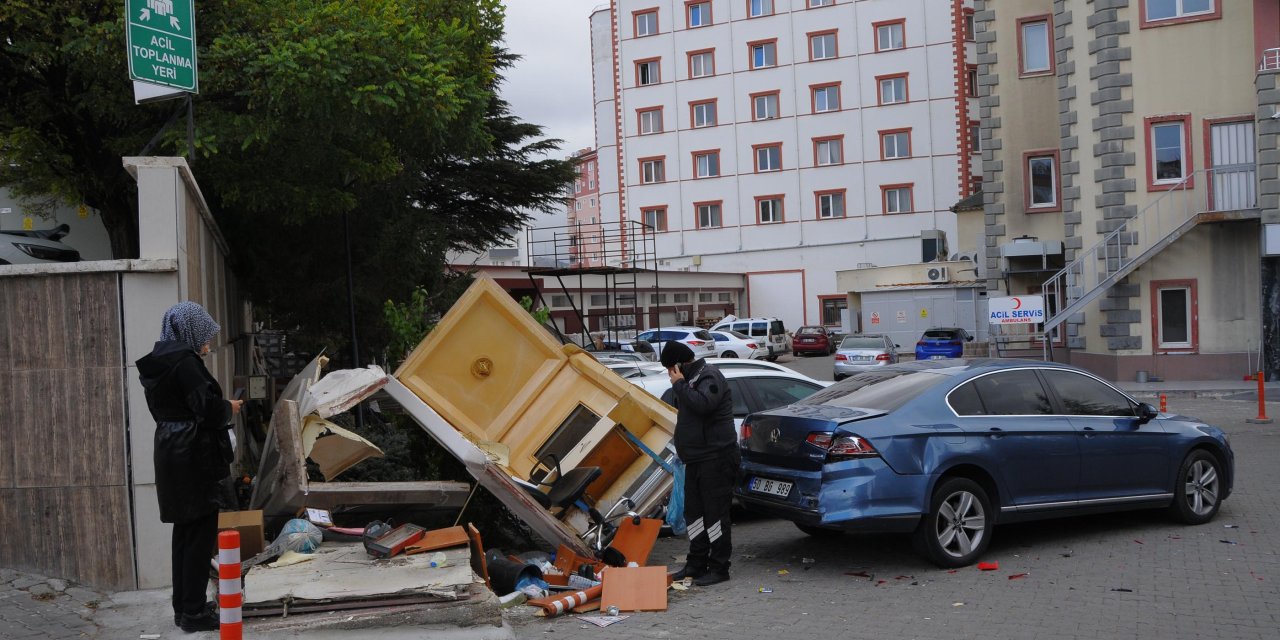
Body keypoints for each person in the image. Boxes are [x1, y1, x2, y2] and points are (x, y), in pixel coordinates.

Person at [136, 302, 243, 632]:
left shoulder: (161, 363)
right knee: (200, 534)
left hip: (170, 449)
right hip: (194, 454)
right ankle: (194, 613)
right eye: (204, 334)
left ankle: (184, 608)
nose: (207, 342)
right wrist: (228, 406)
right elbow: (205, 408)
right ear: (190, 330)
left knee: (184, 533)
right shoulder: (185, 363)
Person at [662, 341, 738, 586]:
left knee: (715, 516)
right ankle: (696, 563)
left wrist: (679, 384)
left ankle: (719, 567)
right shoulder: (689, 381)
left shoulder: (709, 376)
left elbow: (704, 405)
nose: (669, 375)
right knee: (693, 515)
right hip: (695, 460)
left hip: (716, 458)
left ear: (679, 365)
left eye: (670, 369)